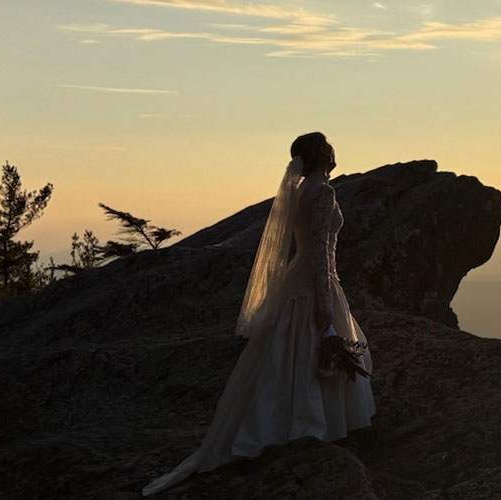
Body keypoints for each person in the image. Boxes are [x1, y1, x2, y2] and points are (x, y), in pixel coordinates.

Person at [142, 132, 377, 496]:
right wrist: (324, 303)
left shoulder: (302, 190)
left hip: (299, 281)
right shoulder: (322, 192)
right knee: (310, 354)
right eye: (329, 146)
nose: (334, 151)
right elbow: (318, 251)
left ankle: (280, 424)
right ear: (321, 154)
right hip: (313, 283)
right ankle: (313, 427)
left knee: (284, 360)